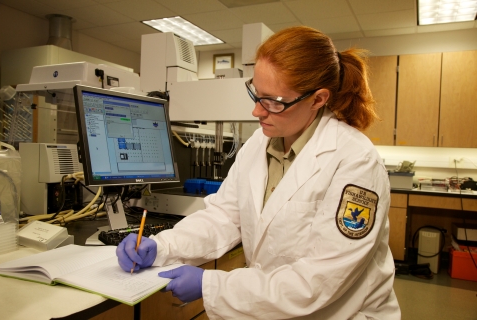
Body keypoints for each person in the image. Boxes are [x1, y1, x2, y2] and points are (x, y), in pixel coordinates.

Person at [117, 25, 401, 319]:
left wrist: (213, 286)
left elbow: (320, 279)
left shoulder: (355, 161)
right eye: (256, 93)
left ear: (318, 99)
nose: (257, 112)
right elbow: (224, 216)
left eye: (274, 102)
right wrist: (162, 245)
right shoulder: (259, 144)